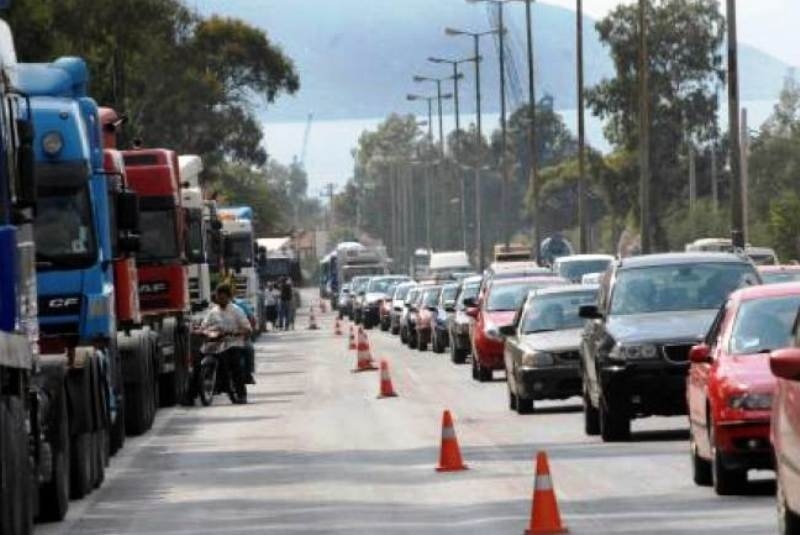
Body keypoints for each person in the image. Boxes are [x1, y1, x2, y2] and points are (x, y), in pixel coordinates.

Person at [200, 283, 252, 402]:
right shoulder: (212, 311)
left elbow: (247, 328)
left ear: (228, 297)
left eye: (223, 297)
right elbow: (204, 325)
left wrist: (236, 333)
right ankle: (191, 394)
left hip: (233, 343)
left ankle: (241, 395)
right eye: (218, 297)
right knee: (199, 360)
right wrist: (202, 331)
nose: (220, 300)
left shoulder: (236, 310)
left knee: (235, 365)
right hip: (216, 343)